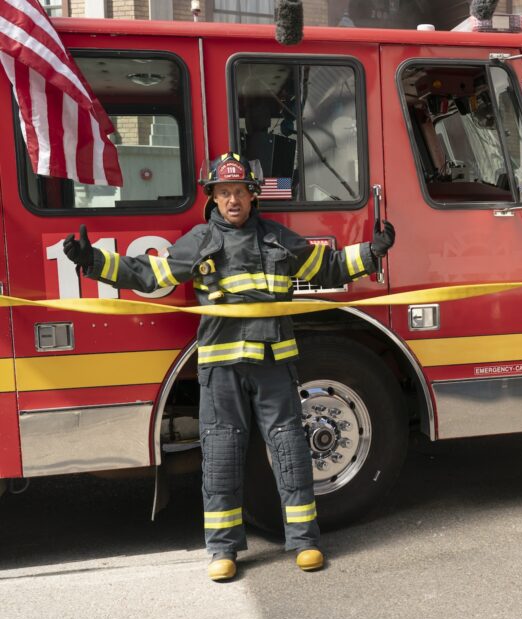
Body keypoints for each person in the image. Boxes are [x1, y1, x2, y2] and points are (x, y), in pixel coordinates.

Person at [62, 153, 396, 581]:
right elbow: (148, 274)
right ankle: (223, 550)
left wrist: (372, 252)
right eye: (224, 193)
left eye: (239, 191)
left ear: (253, 196)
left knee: (292, 452)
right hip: (222, 368)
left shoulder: (278, 239)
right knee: (222, 456)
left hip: (274, 362)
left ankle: (305, 541)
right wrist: (92, 261)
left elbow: (326, 266)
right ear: (213, 198)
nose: (233, 199)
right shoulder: (199, 242)